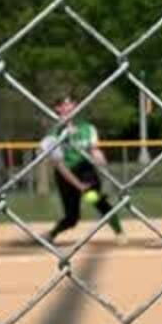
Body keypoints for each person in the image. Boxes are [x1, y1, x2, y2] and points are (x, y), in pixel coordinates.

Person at [42, 96, 123, 243]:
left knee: (97, 201)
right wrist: (78, 186)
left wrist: (103, 165)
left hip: (86, 172)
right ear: (57, 109)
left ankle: (119, 232)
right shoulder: (52, 135)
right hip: (66, 175)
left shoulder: (87, 128)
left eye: (72, 103)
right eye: (65, 104)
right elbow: (60, 166)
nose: (70, 106)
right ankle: (52, 234)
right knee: (72, 218)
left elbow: (95, 151)